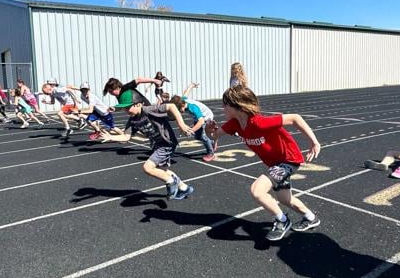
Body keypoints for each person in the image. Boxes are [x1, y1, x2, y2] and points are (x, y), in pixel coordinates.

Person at [205, 85, 322, 241]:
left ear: (237, 106)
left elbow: (295, 118)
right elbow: (214, 136)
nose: (222, 108)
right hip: (275, 164)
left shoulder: (259, 122)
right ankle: (311, 218)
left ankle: (282, 220)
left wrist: (314, 142)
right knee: (284, 199)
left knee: (257, 190)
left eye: (225, 104)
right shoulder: (234, 124)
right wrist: (208, 130)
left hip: (289, 160)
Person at [100, 90, 196, 200]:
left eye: (128, 107)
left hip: (167, 143)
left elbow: (171, 107)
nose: (126, 111)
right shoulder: (132, 120)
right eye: (124, 109)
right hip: (158, 144)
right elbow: (126, 137)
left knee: (147, 167)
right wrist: (110, 137)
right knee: (162, 170)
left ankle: (171, 181)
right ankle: (184, 187)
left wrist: (181, 124)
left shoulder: (149, 110)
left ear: (139, 104)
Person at [170, 84, 217, 161]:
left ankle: (211, 153)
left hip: (206, 117)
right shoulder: (183, 100)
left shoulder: (193, 107)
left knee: (203, 136)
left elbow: (201, 121)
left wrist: (191, 130)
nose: (178, 112)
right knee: (197, 137)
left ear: (182, 104)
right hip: (198, 118)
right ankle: (211, 142)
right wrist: (191, 86)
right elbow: (185, 93)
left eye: (179, 110)